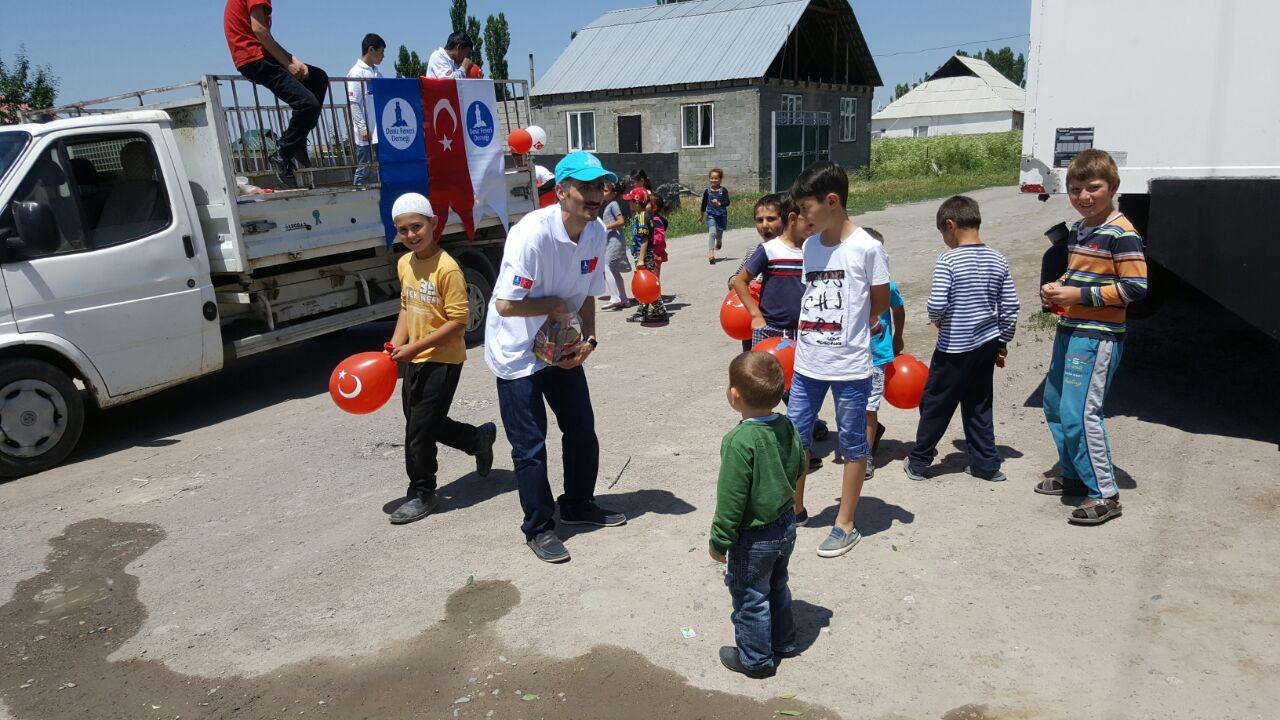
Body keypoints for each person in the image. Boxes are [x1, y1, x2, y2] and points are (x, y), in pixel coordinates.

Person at [484, 152, 626, 563]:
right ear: (561, 192)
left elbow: (585, 295)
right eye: (584, 187)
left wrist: (590, 341)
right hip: (516, 353)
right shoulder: (532, 234)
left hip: (559, 347)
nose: (594, 195)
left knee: (582, 429)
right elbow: (508, 305)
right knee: (530, 446)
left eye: (599, 186)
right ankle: (539, 528)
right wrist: (555, 303)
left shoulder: (596, 232)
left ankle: (578, 505)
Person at [785, 162, 889, 558]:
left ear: (832, 201)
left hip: (849, 368)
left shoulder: (867, 248)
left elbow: (878, 304)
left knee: (851, 444)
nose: (801, 218)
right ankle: (793, 509)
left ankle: (844, 523)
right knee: (795, 439)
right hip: (808, 364)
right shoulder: (810, 247)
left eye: (807, 209)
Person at [1038, 149, 1147, 525]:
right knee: (1054, 404)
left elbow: (1135, 289)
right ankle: (1073, 475)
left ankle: (1105, 494)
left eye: (1093, 188)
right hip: (1071, 328)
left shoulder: (1121, 232)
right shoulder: (1083, 229)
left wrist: (1078, 296)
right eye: (1075, 188)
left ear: (1113, 187)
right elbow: (1076, 272)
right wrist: (1057, 288)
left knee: (1081, 412)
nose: (1084, 196)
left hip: (1098, 335)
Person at [386, 193, 498, 524]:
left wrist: (413, 349)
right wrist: (396, 344)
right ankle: (477, 439)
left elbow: (458, 322)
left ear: (433, 223)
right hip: (414, 357)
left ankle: (421, 492)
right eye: (403, 229)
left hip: (443, 359)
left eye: (417, 226)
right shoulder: (405, 263)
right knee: (421, 422)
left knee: (419, 429)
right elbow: (407, 305)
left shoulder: (447, 269)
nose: (410, 235)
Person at [903, 197, 1018, 486]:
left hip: (954, 347)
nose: (944, 240)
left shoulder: (949, 259)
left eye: (943, 234)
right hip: (988, 343)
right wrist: (1002, 340)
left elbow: (938, 303)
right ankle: (986, 464)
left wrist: (937, 319)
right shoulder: (997, 258)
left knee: (935, 404)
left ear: (950, 225)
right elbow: (1010, 306)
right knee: (979, 403)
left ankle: (919, 461)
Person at [709, 351, 805, 679]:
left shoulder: (739, 441)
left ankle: (756, 659)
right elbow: (800, 465)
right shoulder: (788, 425)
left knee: (751, 597)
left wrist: (719, 541)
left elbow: (731, 500)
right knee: (777, 584)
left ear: (734, 395)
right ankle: (784, 641)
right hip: (785, 526)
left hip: (754, 538)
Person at [224, 0, 329, 187]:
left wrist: (293, 59)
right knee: (307, 104)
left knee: (318, 78)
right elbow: (259, 29)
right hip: (254, 59)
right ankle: (283, 154)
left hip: (262, 56)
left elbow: (264, 35)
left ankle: (298, 141)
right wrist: (288, 65)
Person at [859, 227, 905, 479]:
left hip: (876, 354)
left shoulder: (888, 285)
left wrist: (897, 336)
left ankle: (865, 455)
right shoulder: (846, 283)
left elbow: (898, 308)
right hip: (849, 356)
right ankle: (865, 438)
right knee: (850, 405)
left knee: (868, 406)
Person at [623, 187, 668, 324]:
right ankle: (641, 312)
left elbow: (644, 239)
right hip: (643, 255)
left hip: (644, 255)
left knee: (647, 286)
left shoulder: (643, 216)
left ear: (636, 202)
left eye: (630, 200)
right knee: (643, 286)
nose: (628, 203)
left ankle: (660, 311)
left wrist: (641, 259)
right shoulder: (642, 215)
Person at [347, 33, 385, 186]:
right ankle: (357, 194)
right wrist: (363, 127)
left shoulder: (378, 73)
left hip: (379, 130)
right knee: (365, 167)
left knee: (382, 165)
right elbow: (354, 103)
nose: (383, 56)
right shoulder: (356, 73)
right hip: (366, 132)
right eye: (381, 52)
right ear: (371, 50)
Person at [600, 181, 631, 310]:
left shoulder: (613, 204)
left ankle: (614, 297)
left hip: (615, 241)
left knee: (606, 266)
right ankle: (624, 298)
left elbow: (621, 222)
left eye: (605, 191)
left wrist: (604, 227)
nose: (602, 193)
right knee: (614, 270)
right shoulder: (609, 205)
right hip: (612, 240)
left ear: (614, 193)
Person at [700, 168, 730, 264]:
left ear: (720, 179)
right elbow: (703, 204)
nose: (713, 180)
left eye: (716, 178)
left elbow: (727, 202)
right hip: (711, 215)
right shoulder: (707, 191)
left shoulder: (723, 190)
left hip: (721, 215)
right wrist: (701, 215)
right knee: (712, 233)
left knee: (719, 233)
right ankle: (711, 254)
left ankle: (719, 240)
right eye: (712, 178)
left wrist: (719, 203)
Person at [647, 192, 669, 278]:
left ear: (654, 208)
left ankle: (656, 291)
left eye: (648, 202)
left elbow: (660, 237)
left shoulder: (656, 220)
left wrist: (649, 241)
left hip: (655, 254)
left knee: (654, 276)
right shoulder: (648, 218)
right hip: (650, 253)